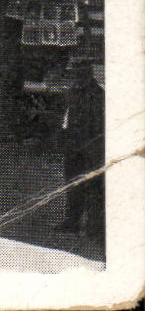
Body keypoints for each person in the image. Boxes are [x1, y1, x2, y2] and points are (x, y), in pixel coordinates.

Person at [57, 61, 105, 239]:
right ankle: (72, 222)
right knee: (72, 184)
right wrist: (64, 137)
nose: (74, 78)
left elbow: (98, 125)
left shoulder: (98, 95)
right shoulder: (71, 93)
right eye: (72, 74)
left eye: (77, 74)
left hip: (91, 148)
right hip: (73, 147)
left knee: (93, 187)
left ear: (87, 74)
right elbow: (66, 118)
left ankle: (95, 227)